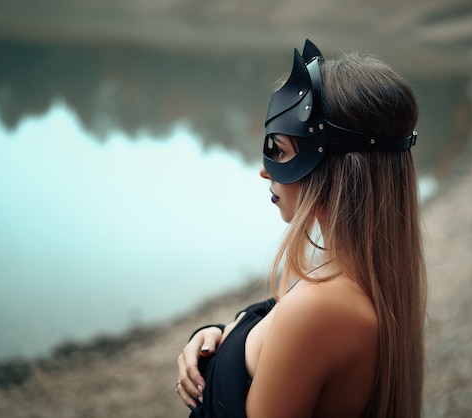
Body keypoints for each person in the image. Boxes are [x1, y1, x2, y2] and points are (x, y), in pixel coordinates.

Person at [176, 39, 426, 418]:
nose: (264, 170)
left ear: (330, 168)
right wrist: (220, 337)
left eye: (278, 150)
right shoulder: (352, 282)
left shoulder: (321, 308)